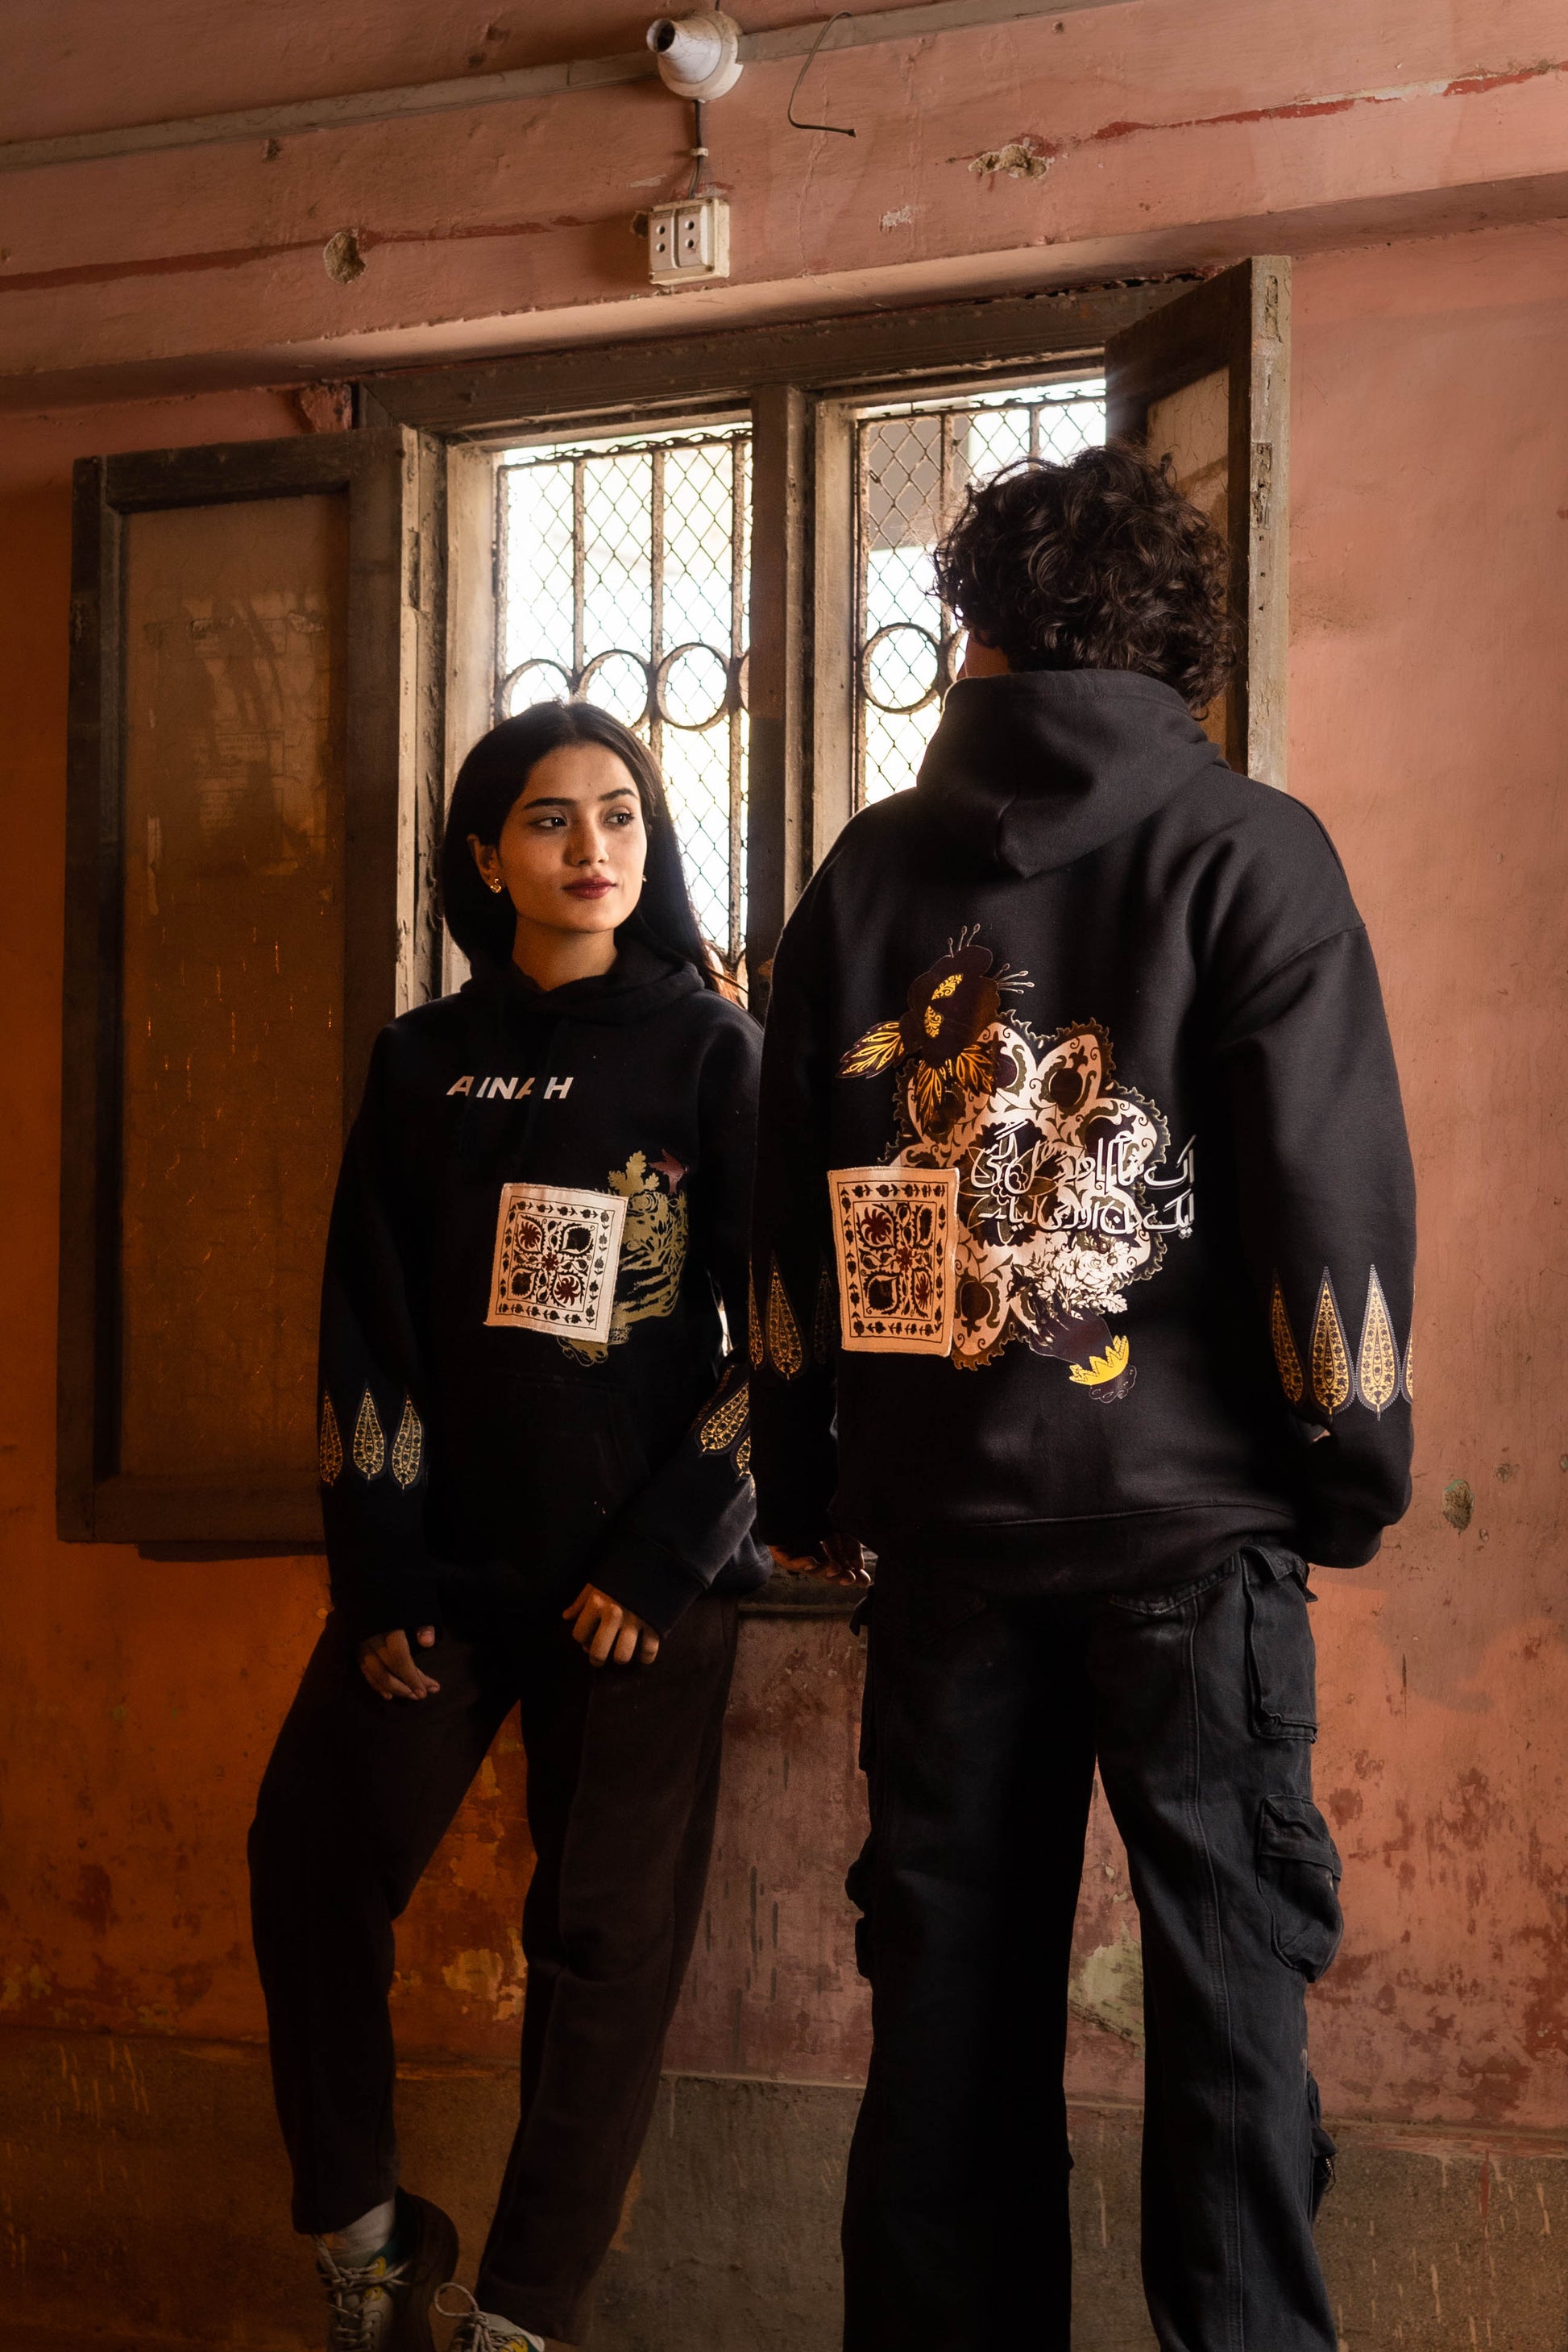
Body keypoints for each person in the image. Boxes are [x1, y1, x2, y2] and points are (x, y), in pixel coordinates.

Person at [749, 442, 1415, 2351]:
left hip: (947, 1533)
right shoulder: (1251, 849)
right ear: (1184, 640)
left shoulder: (870, 870)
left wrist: (809, 1470)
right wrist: (1343, 1472)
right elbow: (1324, 1194)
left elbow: (799, 1205)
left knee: (945, 2026)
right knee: (1227, 2022)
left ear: (976, 627)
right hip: (1194, 1536)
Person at [250, 702, 765, 2352]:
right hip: (446, 1576)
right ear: (487, 855)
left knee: (601, 1942)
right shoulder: (421, 1061)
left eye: (619, 814)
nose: (591, 847)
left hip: (638, 1587)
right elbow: (368, 1327)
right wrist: (380, 1570)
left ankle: (524, 2317)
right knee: (307, 1852)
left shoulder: (711, 1050)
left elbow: (780, 1332)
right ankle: (365, 2237)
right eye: (550, 818)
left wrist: (668, 1551)